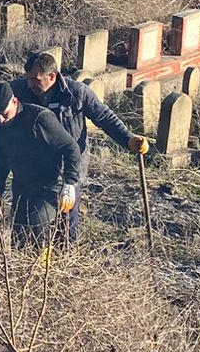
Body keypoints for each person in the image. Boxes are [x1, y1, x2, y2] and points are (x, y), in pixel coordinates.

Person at [19, 50, 149, 242]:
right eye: (28, 78)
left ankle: (66, 260)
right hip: (36, 169)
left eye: (36, 79)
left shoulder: (77, 93)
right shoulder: (23, 90)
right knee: (35, 225)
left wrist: (128, 139)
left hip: (68, 169)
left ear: (52, 76)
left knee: (66, 226)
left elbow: (104, 117)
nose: (30, 84)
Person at [0, 81, 79, 248]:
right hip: (22, 186)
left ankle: (44, 269)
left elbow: (71, 148)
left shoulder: (40, 119)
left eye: (4, 113)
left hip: (50, 185)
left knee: (37, 229)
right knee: (18, 240)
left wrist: (70, 183)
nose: (0, 119)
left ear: (15, 102)